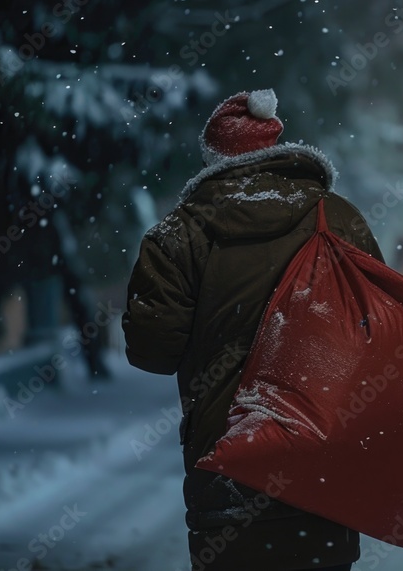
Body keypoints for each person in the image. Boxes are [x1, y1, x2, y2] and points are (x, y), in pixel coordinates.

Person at [122, 89, 383, 571]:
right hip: (322, 456)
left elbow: (152, 349)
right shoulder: (337, 218)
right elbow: (377, 329)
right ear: (275, 148)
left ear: (213, 158)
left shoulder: (177, 237)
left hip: (226, 457)